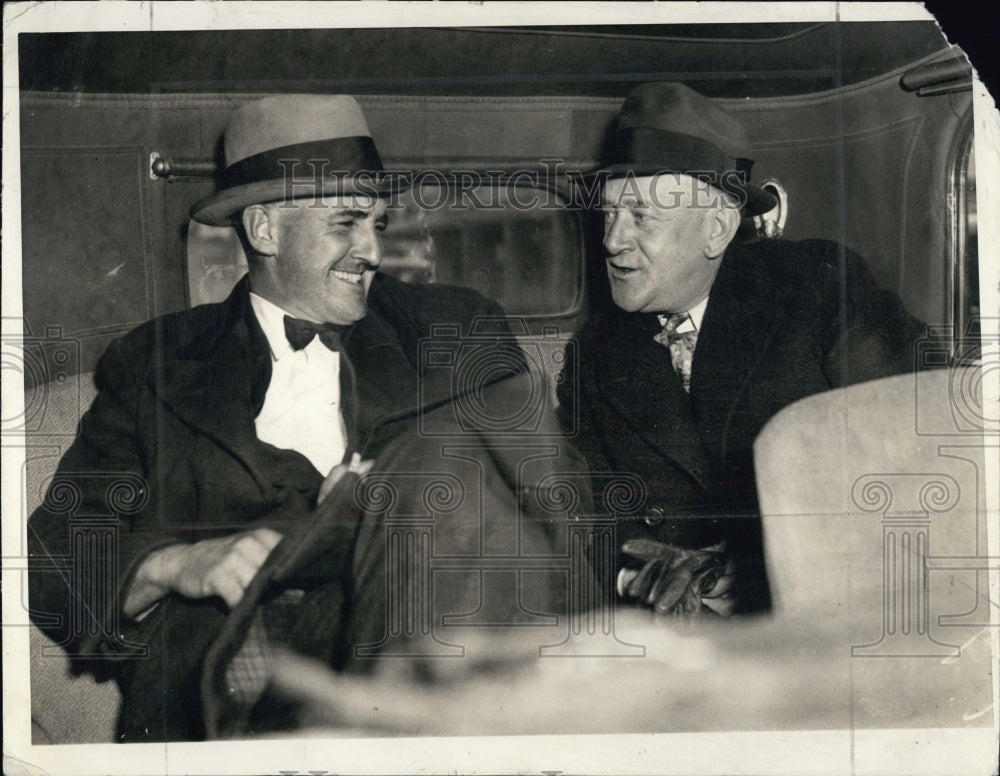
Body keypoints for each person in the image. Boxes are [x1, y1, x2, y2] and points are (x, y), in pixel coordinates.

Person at [28, 95, 590, 741]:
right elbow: (54, 553)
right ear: (265, 230)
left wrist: (381, 500)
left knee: (443, 474)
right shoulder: (155, 362)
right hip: (243, 674)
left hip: (437, 643)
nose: (372, 250)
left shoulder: (456, 328)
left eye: (378, 223)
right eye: (346, 223)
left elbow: (559, 494)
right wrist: (181, 564)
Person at [558, 82, 922, 617]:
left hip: (834, 607)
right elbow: (585, 516)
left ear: (717, 229)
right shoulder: (594, 355)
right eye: (608, 214)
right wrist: (636, 578)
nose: (613, 240)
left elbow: (913, 445)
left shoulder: (819, 289)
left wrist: (758, 563)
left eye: (641, 216)